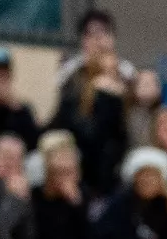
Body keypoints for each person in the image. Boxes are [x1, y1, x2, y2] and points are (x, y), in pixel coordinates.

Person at [53, 11, 129, 200]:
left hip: (120, 148)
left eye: (103, 33)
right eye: (91, 34)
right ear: (83, 40)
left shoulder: (128, 74)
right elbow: (67, 118)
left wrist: (111, 91)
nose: (98, 40)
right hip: (82, 146)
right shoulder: (71, 74)